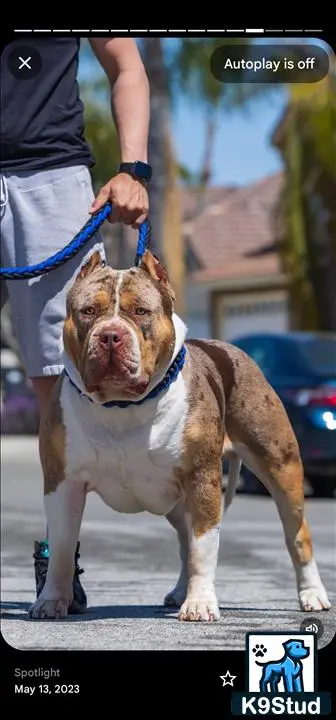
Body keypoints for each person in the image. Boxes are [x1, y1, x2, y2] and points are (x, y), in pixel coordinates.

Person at [0, 37, 151, 613]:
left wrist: (133, 167)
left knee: (57, 388)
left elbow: (126, 64)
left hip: (50, 178)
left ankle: (56, 556)